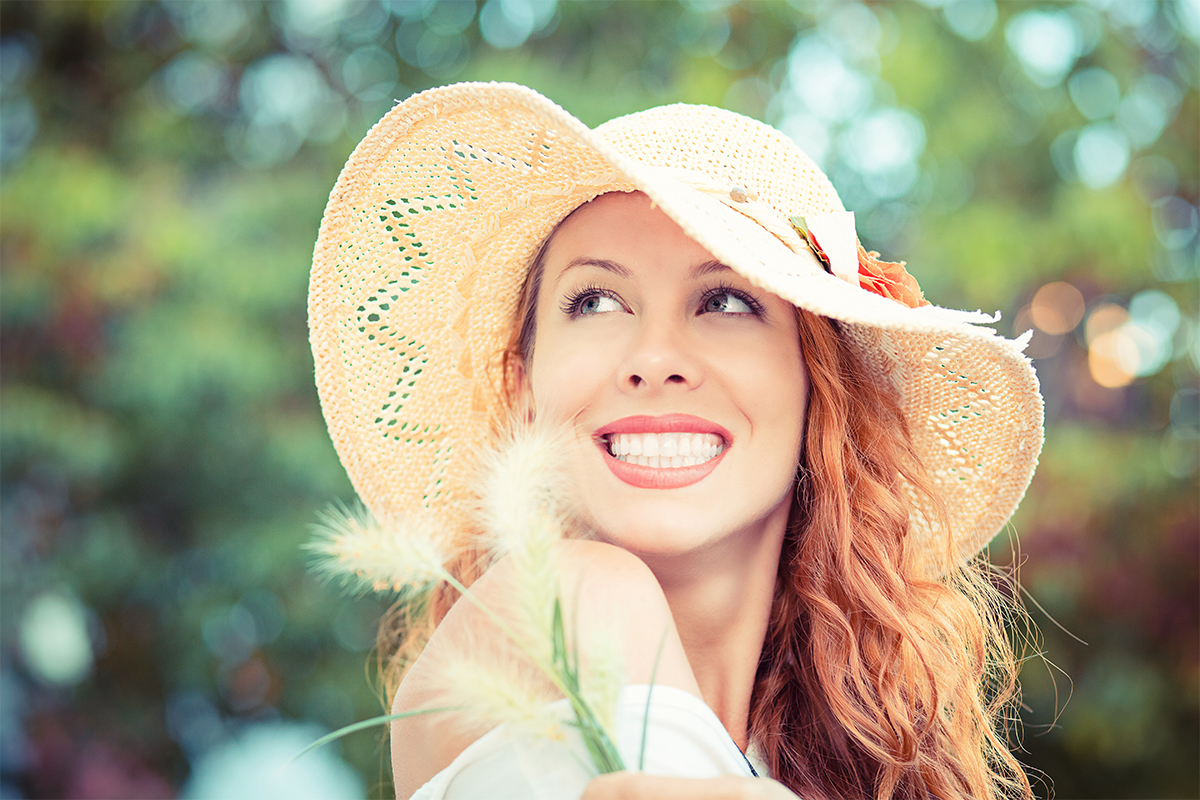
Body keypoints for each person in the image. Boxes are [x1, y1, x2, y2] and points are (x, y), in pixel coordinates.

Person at [308, 82, 1044, 799]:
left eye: (724, 300)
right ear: (524, 383)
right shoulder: (565, 605)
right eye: (595, 301)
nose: (653, 359)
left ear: (817, 389)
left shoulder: (852, 763)